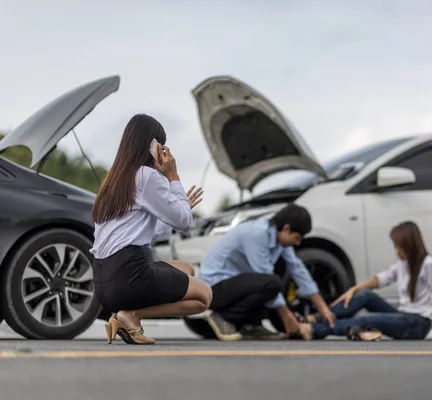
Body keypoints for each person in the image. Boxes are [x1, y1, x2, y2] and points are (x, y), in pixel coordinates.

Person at [90, 113, 213, 345]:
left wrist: (177, 204)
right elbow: (185, 222)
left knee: (186, 269)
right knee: (204, 296)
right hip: (129, 275)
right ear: (154, 146)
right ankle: (131, 315)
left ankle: (124, 315)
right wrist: (173, 177)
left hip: (104, 280)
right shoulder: (147, 176)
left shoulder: (113, 180)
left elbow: (145, 231)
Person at [296, 221, 432, 341]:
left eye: (398, 246)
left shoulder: (430, 265)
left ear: (409, 245)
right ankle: (319, 316)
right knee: (365, 295)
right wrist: (354, 289)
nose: (396, 250)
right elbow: (381, 279)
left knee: (366, 318)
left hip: (418, 325)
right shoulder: (404, 263)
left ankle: (314, 329)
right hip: (404, 315)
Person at [197, 203, 336, 341]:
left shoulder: (279, 238)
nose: (298, 243)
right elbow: (265, 274)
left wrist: (323, 308)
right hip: (213, 289)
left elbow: (298, 269)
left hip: (233, 286)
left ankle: (252, 326)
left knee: (276, 275)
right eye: (297, 238)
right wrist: (287, 316)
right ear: (286, 229)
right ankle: (224, 318)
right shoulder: (256, 233)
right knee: (272, 282)